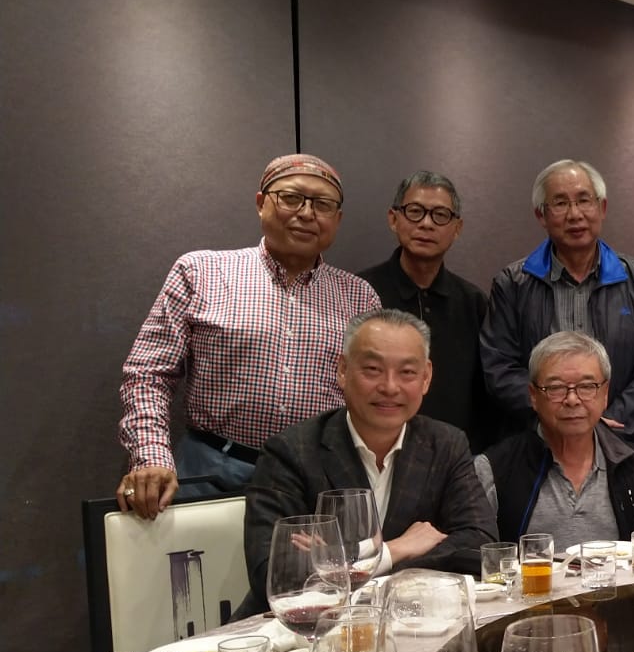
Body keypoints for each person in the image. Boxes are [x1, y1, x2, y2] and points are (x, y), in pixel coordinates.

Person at [117, 153, 381, 518]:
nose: (306, 213)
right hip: (210, 469)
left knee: (316, 560)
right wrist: (151, 456)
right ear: (261, 203)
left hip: (313, 479)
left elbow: (372, 394)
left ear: (337, 219)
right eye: (291, 198)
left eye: (323, 204)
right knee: (192, 558)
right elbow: (149, 374)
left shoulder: (359, 297)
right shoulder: (201, 272)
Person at [244, 309, 496, 611]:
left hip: (412, 622)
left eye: (407, 372)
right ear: (343, 370)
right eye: (373, 369)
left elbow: (479, 541)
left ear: (426, 377)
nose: (390, 387)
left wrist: (337, 561)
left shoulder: (446, 444)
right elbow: (276, 570)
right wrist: (391, 551)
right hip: (302, 630)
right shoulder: (291, 452)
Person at [480, 158, 634, 446]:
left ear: (602, 208)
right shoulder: (513, 283)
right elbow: (499, 368)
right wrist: (556, 416)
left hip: (619, 439)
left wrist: (605, 425)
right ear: (541, 215)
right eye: (560, 203)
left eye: (584, 200)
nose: (575, 214)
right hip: (537, 441)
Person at [476, 331, 634, 551]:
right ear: (533, 395)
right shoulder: (495, 469)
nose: (572, 399)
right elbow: (477, 560)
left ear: (605, 393)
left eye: (587, 387)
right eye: (556, 388)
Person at [359, 170, 492, 450]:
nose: (427, 224)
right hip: (374, 452)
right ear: (393, 219)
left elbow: (487, 397)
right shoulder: (361, 293)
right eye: (415, 211)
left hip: (455, 456)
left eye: (440, 215)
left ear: (457, 228)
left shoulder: (473, 302)